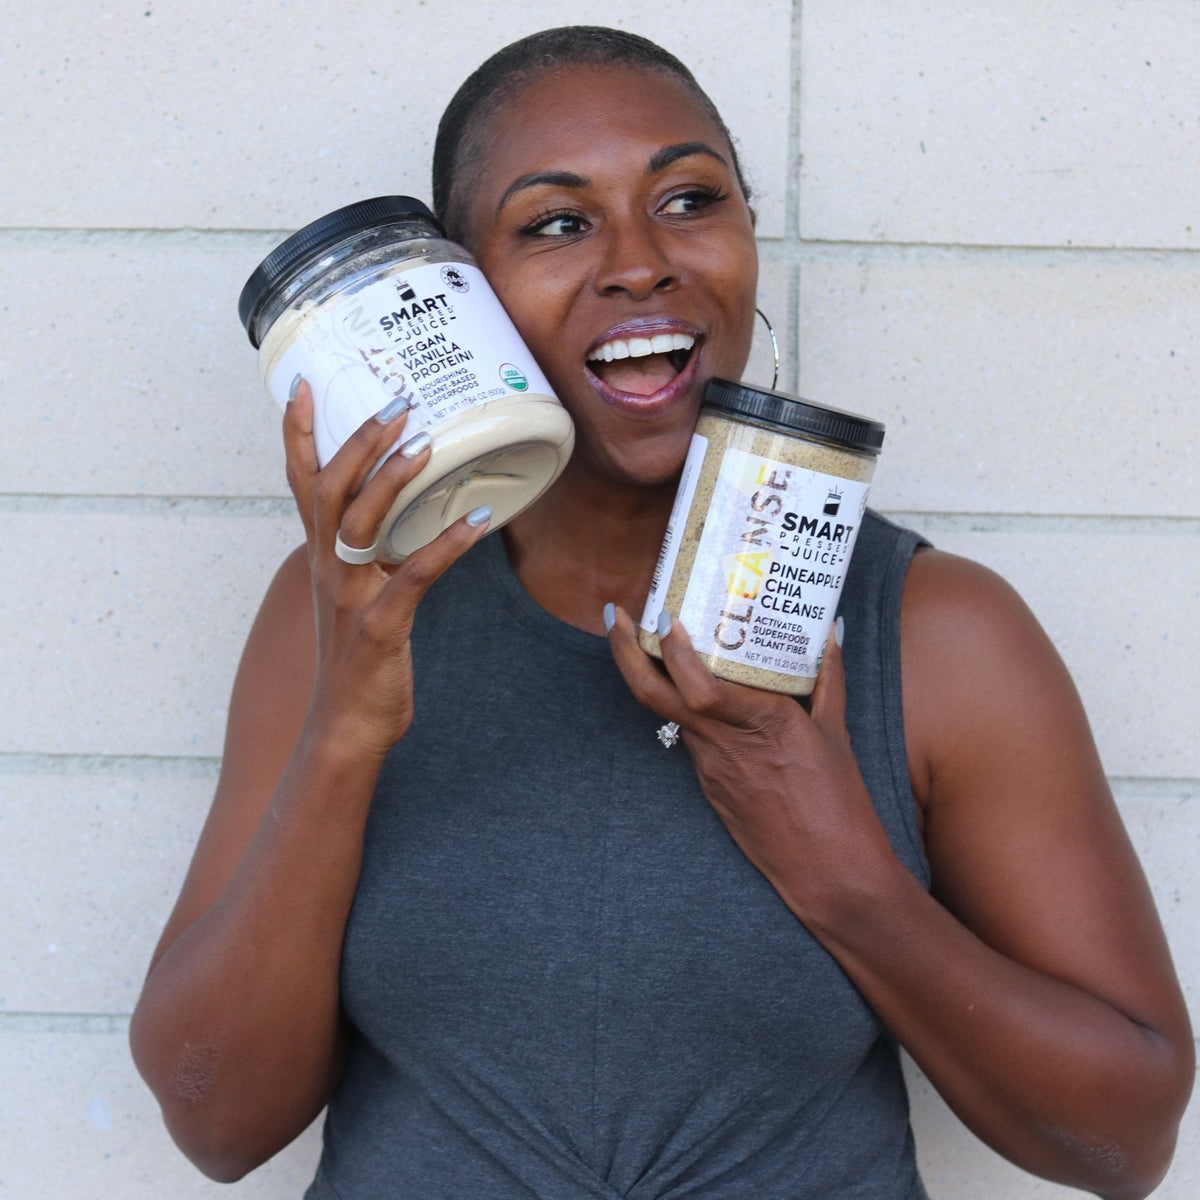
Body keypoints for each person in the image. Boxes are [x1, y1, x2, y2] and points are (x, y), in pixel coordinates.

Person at [130, 26, 1193, 1200]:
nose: (640, 263)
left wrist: (844, 873)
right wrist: (343, 735)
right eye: (557, 223)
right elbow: (216, 1121)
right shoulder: (349, 610)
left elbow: (1124, 1142)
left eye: (690, 199)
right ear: (461, 296)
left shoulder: (933, 636)